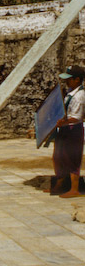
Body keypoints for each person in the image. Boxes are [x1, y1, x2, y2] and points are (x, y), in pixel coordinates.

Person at [49, 65, 85, 198]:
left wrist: (63, 122)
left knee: (72, 158)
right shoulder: (71, 92)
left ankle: (74, 189)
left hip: (73, 130)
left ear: (77, 80)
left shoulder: (80, 96)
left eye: (69, 79)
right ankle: (59, 185)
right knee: (59, 156)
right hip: (65, 129)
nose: (67, 81)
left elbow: (76, 116)